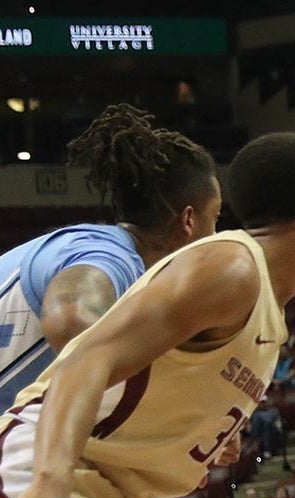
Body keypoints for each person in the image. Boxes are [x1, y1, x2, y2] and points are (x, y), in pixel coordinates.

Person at [0, 132, 295, 498]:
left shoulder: (267, 316)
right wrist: (49, 484)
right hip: (57, 471)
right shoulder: (233, 266)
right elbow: (86, 356)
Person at [0, 103, 219, 410]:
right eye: (215, 217)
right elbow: (71, 317)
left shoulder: (111, 257)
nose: (215, 235)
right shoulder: (109, 255)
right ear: (189, 221)